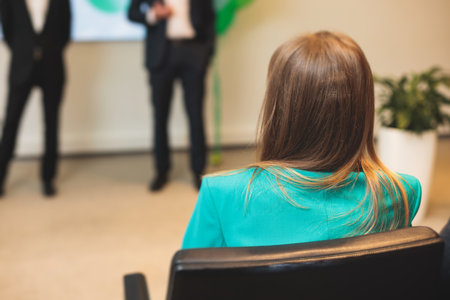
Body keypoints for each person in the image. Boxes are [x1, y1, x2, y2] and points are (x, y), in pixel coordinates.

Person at [182, 31, 422, 249]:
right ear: (362, 107)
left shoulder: (222, 195)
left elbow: (191, 287)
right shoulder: (401, 192)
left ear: (279, 108)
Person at [127, 0, 216, 191]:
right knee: (160, 116)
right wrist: (153, 15)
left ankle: (198, 171)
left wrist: (207, 53)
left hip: (193, 53)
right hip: (161, 56)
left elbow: (210, 18)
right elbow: (132, 13)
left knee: (195, 116)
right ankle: (161, 171)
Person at [0, 0, 71, 197]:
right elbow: (8, 30)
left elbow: (66, 32)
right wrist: (25, 50)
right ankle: (1, 177)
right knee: (11, 122)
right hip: (22, 66)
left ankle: (48, 179)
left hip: (52, 67)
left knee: (51, 124)